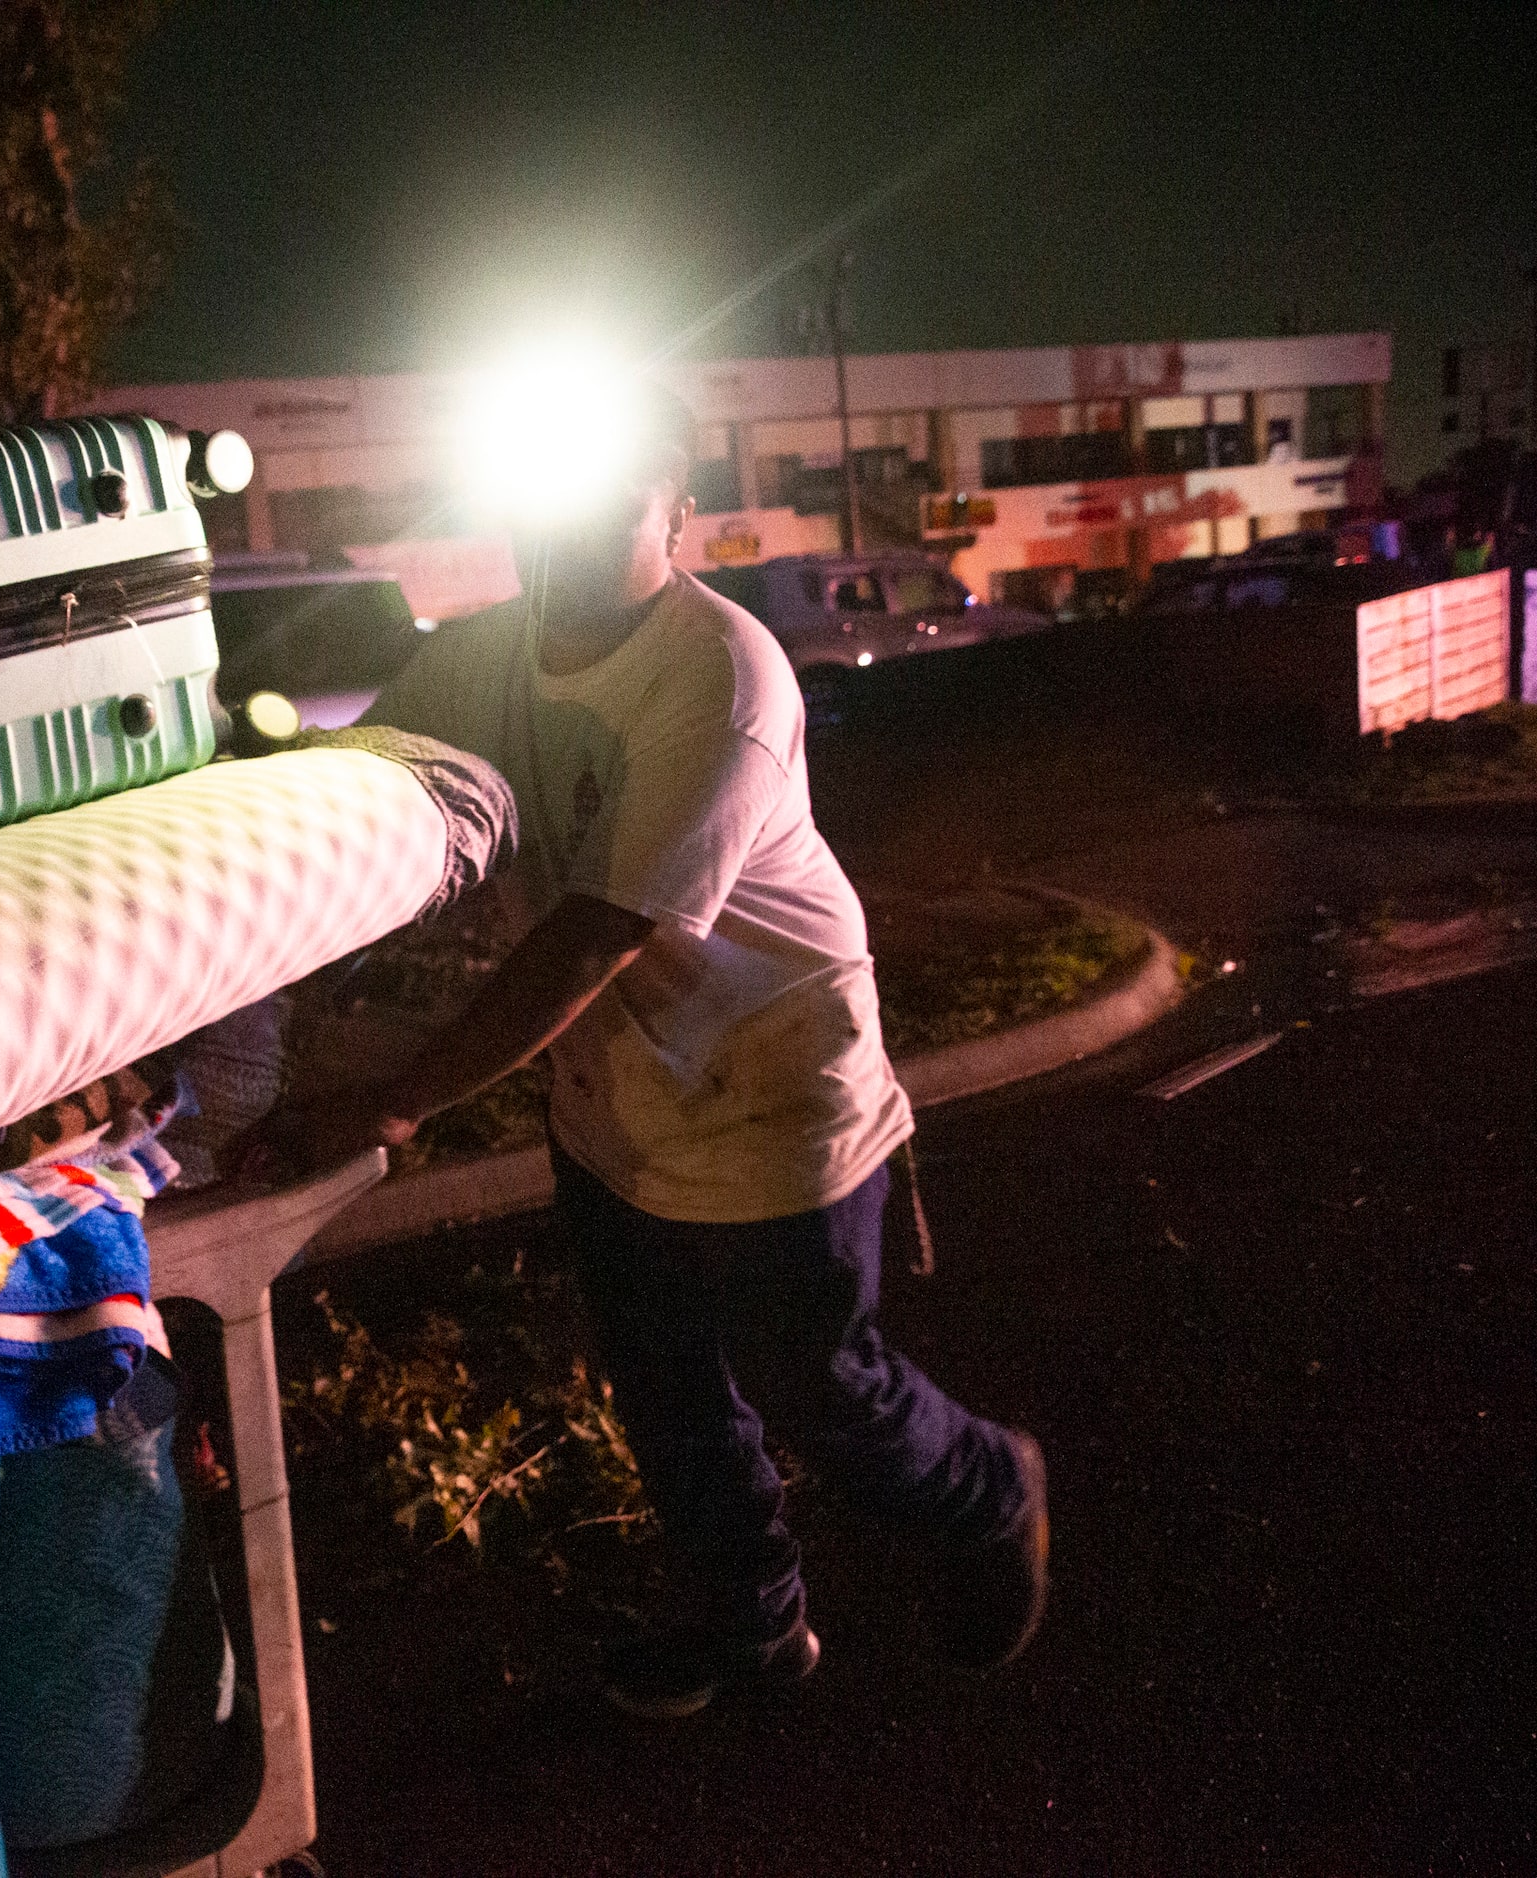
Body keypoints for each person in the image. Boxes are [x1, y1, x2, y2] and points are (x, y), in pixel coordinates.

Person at [283, 381, 1047, 1719]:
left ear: (677, 515)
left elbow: (593, 935)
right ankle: (750, 1622)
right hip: (615, 1101)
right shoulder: (476, 655)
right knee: (669, 1390)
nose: (567, 533)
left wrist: (394, 1102)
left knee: (816, 1385)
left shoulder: (722, 670)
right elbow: (358, 795)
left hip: (771, 1091)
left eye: (607, 500)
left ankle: (989, 1490)